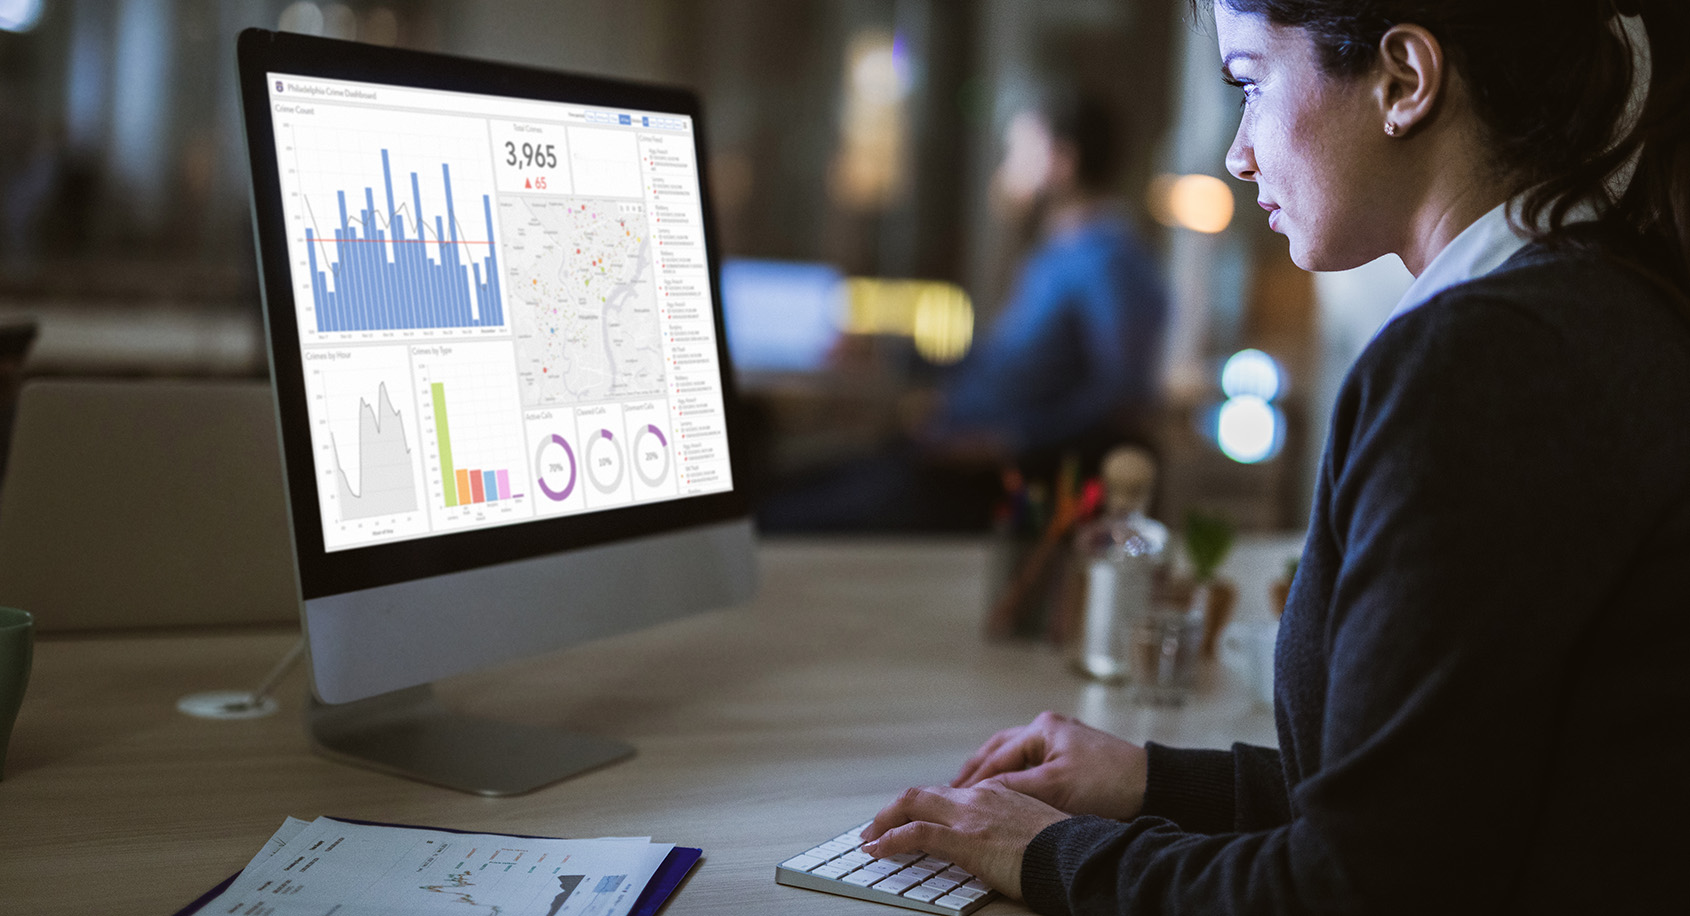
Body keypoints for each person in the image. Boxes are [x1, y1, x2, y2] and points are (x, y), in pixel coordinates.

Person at [859, 0, 1690, 911]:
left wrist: (1050, 852)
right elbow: (1436, 797)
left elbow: (1357, 889)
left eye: (1251, 84)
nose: (1236, 151)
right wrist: (1151, 781)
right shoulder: (1596, 302)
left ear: (1404, 81)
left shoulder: (1486, 363)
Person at [920, 87, 1169, 475]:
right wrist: (898, 357)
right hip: (950, 447)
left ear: (1063, 162)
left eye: (1019, 153)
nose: (1006, 170)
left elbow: (1123, 401)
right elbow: (1011, 364)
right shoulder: (1052, 255)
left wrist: (1009, 442)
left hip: (1003, 476)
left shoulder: (1111, 262)